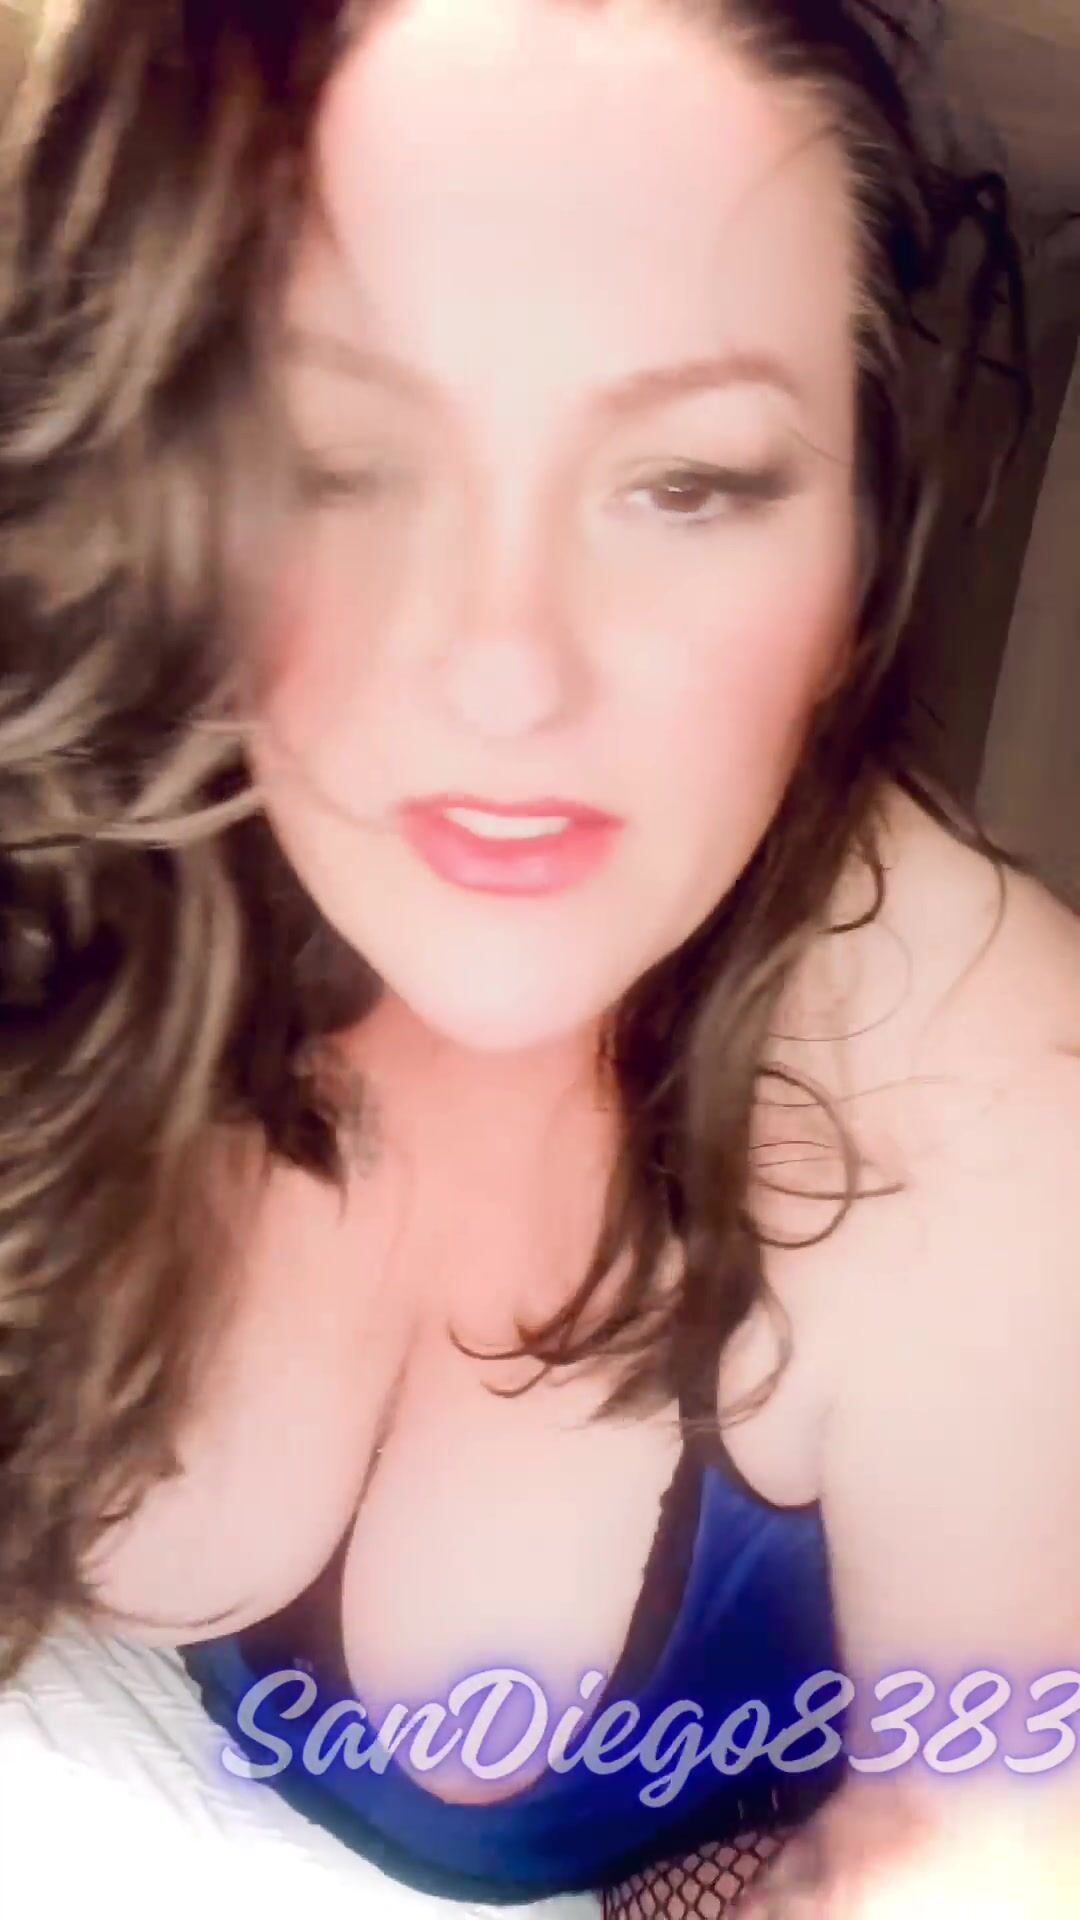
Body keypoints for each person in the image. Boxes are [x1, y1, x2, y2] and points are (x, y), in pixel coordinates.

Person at [1, 0, 1078, 1912]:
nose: (510, 675)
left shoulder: (991, 1089)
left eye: (688, 482)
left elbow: (985, 1843)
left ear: (855, 553)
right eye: (346, 460)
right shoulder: (117, 836)